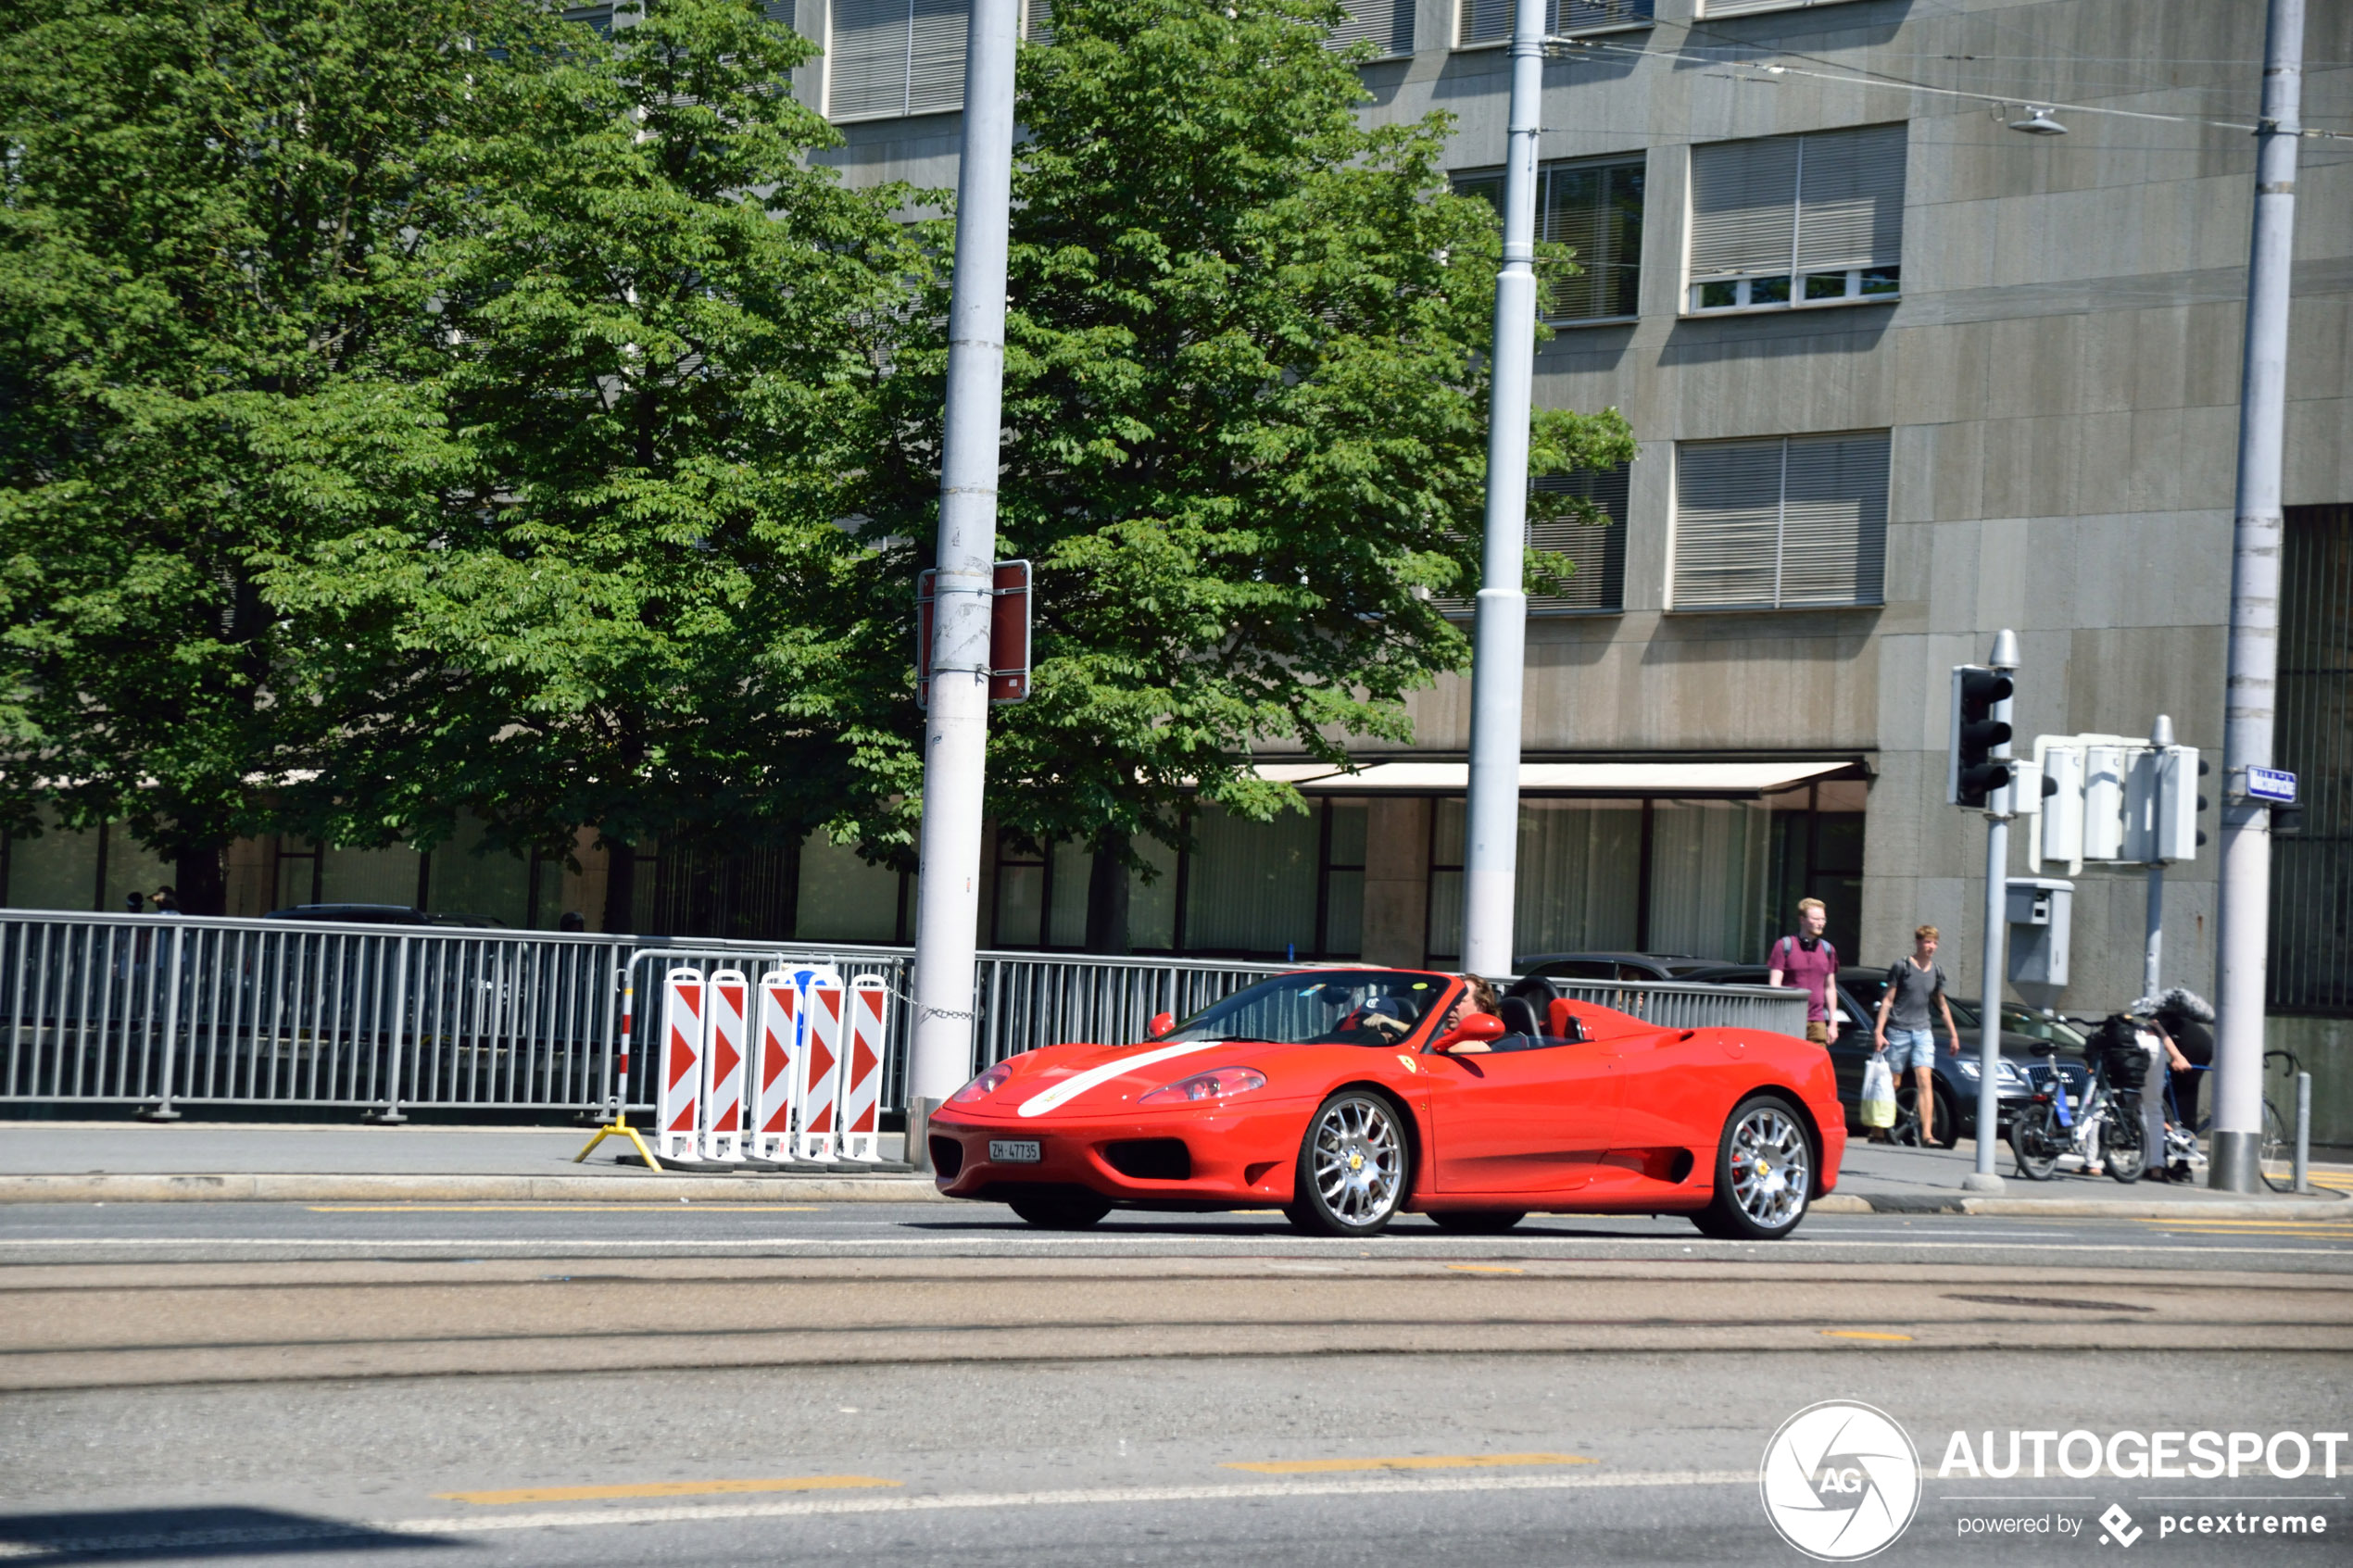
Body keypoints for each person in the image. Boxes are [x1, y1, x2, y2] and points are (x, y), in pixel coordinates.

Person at [1871, 924, 1963, 1146]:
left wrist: (1953, 1035)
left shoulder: (1936, 971)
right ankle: (1878, 1130)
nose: (1931, 947)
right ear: (1918, 942)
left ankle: (1927, 1134)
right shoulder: (1902, 966)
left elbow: (1941, 1003)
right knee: (1893, 1082)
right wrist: (1879, 1031)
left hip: (1923, 1031)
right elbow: (1888, 1000)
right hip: (1898, 1029)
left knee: (1925, 1080)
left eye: (1934, 943)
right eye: (1927, 942)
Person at [1767, 897, 1841, 1047]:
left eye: (1823, 919)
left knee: (1816, 1066)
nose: (1821, 923)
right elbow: (1775, 985)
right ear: (1802, 920)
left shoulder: (1828, 950)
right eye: (1816, 919)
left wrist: (1833, 1023)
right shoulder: (1784, 946)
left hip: (1817, 1021)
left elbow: (1830, 988)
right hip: (1789, 1020)